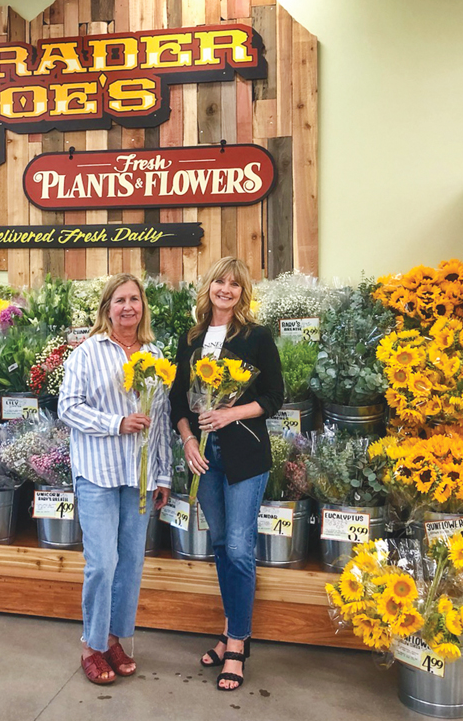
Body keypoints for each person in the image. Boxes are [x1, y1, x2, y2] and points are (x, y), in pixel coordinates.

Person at [168, 256, 283, 691]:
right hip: (204, 457)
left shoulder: (256, 337)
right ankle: (234, 628)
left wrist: (231, 413)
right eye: (221, 281)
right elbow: (179, 401)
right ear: (209, 286)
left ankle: (236, 642)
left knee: (238, 546)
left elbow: (274, 396)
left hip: (245, 457)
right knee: (220, 544)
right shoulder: (193, 337)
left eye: (235, 284)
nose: (227, 289)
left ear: (243, 293)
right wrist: (189, 440)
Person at [58, 273, 172, 685]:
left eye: (135, 300)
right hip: (98, 472)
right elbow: (67, 408)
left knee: (131, 564)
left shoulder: (155, 354)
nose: (129, 307)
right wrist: (116, 422)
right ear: (107, 307)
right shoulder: (87, 354)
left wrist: (162, 474)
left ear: (143, 307)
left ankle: (112, 638)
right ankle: (91, 645)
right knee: (102, 563)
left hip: (138, 476)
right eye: (121, 299)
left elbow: (159, 421)